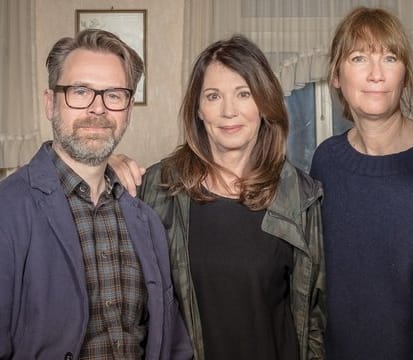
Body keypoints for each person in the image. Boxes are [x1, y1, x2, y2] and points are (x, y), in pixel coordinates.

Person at [112, 35, 325, 360]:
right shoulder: (157, 188)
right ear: (198, 109)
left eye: (243, 94)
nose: (229, 111)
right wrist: (103, 166)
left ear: (264, 104)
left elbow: (314, 320)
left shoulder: (300, 197)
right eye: (213, 96)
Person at [0, 29, 193, 359]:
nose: (97, 109)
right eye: (80, 91)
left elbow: (171, 343)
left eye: (114, 95)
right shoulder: (8, 212)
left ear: (129, 108)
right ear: (50, 103)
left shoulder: (146, 220)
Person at [309, 7, 413, 359]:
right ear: (335, 75)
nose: (376, 74)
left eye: (390, 58)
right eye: (359, 58)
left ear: (405, 75)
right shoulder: (326, 161)